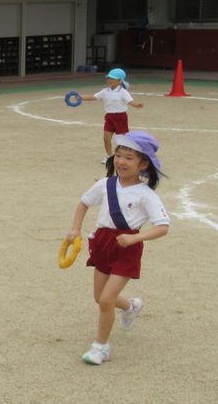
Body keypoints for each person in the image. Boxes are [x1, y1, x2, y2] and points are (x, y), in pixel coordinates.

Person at [65, 131, 170, 366]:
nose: (121, 161)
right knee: (100, 298)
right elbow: (84, 203)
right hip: (102, 244)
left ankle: (100, 347)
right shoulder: (105, 184)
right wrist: (75, 229)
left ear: (144, 164)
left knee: (105, 300)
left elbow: (163, 227)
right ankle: (131, 306)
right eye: (119, 155)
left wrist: (136, 239)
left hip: (127, 247)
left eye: (129, 157)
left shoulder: (146, 194)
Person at [93, 68, 143, 158]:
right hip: (109, 117)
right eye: (108, 78)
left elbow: (130, 102)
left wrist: (137, 105)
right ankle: (109, 156)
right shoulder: (105, 91)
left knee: (122, 140)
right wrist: (80, 98)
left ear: (120, 81)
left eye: (112, 78)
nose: (109, 80)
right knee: (106, 138)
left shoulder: (123, 92)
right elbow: (94, 97)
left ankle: (126, 155)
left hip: (120, 117)